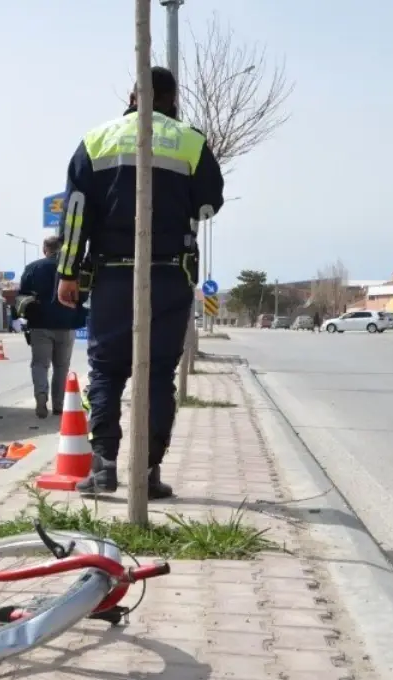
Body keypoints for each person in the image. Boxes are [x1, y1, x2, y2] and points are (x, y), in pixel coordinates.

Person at [53, 65, 225, 499]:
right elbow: (208, 205)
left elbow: (75, 213)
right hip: (169, 274)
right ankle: (147, 473)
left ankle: (105, 466)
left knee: (106, 372)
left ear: (132, 96)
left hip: (112, 275)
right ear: (171, 99)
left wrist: (67, 271)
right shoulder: (190, 140)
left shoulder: (97, 139)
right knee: (157, 374)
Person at [17, 236, 87, 418]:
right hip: (66, 323)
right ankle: (59, 404)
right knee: (62, 366)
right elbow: (83, 294)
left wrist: (21, 318)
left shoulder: (33, 268)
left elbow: (21, 297)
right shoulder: (72, 269)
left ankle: (41, 396)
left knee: (40, 364)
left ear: (44, 249)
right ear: (62, 249)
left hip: (39, 325)